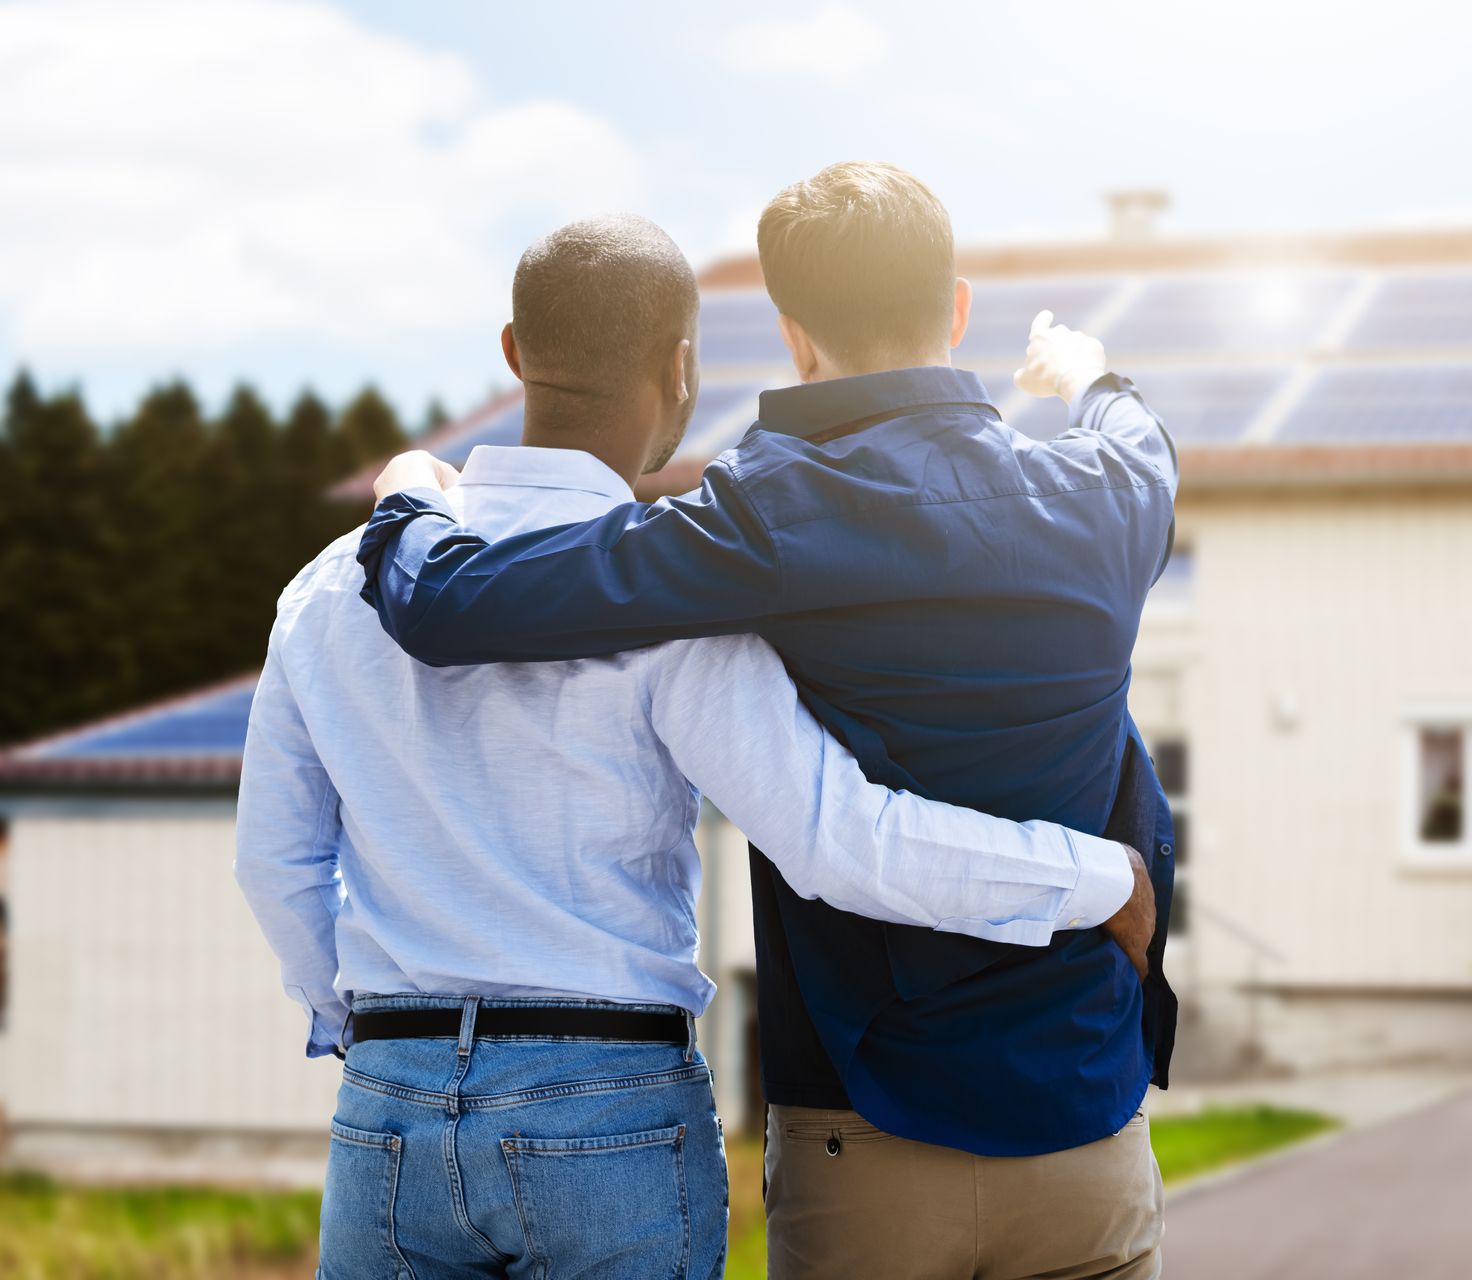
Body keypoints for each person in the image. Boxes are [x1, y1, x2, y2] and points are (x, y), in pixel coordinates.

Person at [234, 213, 1157, 1280]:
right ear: (683, 368)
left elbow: (274, 861)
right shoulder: (679, 593)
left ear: (514, 352)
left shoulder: (326, 587)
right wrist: (1098, 873)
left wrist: (377, 1034)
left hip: (390, 1096)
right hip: (608, 1101)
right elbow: (840, 839)